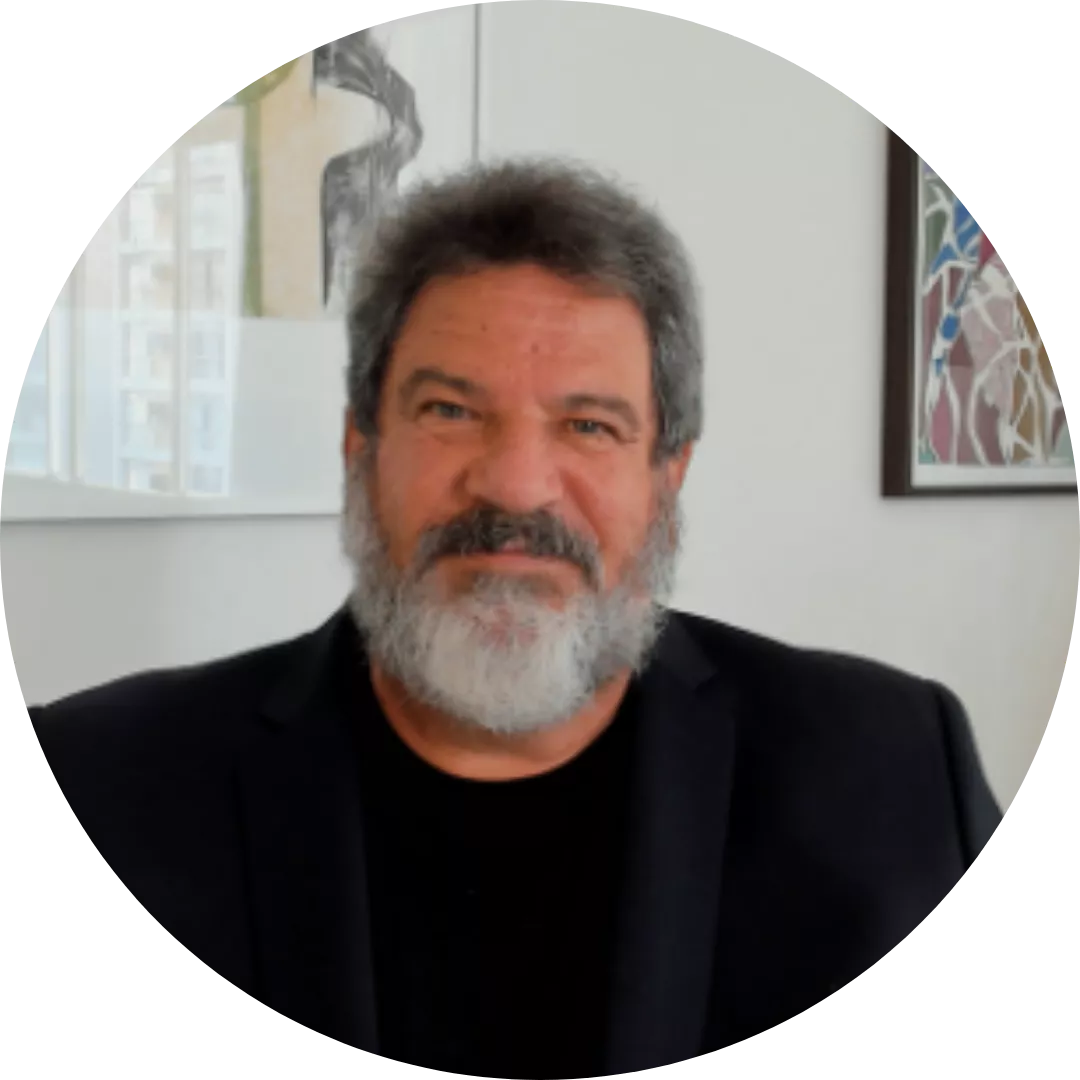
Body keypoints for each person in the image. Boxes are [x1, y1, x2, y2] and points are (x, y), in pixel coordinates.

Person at [27, 157, 1002, 1079]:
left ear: (667, 477)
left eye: (589, 426)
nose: (516, 487)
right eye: (450, 411)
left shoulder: (896, 774)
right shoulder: (100, 786)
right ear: (361, 446)